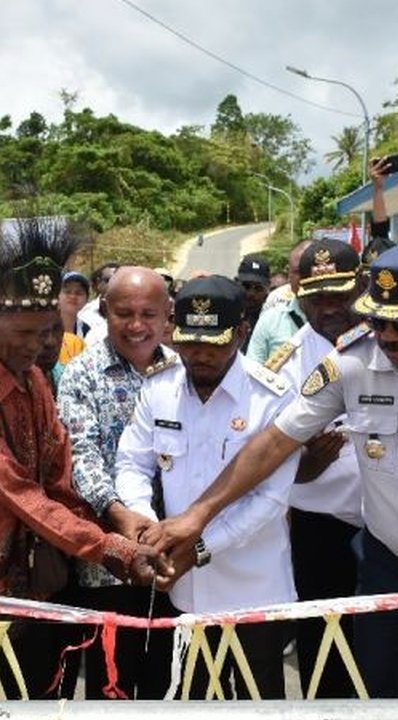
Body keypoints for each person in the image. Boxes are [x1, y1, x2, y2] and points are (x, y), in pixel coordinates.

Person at [142, 244, 398, 698]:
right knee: (373, 693)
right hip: (388, 563)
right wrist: (198, 514)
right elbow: (274, 442)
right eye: (376, 320)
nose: (387, 336)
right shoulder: (352, 360)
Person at [0, 220, 169, 699]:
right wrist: (109, 548)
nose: (36, 346)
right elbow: (21, 494)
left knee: (42, 703)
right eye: (24, 333)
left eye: (48, 332)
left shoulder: (32, 379)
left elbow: (59, 481)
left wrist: (121, 533)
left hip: (35, 591)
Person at [116, 275, 297, 699]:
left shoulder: (271, 397)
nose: (199, 355)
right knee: (193, 700)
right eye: (189, 342)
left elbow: (271, 499)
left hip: (254, 587)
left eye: (214, 343)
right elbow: (132, 463)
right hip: (183, 590)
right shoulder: (159, 388)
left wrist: (196, 549)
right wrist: (147, 525)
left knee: (259, 702)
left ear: (242, 333)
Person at [56, 266, 178, 698]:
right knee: (112, 685)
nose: (137, 325)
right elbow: (81, 456)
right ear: (104, 311)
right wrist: (121, 516)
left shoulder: (183, 370)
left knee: (168, 682)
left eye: (149, 314)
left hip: (177, 559)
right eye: (124, 313)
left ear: (168, 314)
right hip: (109, 562)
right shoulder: (81, 373)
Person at [261, 239, 364, 697]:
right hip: (321, 529)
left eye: (340, 294)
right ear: (299, 295)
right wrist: (304, 465)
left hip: (390, 525)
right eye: (317, 297)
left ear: (361, 286)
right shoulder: (283, 367)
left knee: (384, 651)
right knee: (324, 650)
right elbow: (267, 455)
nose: (330, 307)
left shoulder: (392, 342)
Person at [247, 240, 311, 362]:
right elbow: (253, 370)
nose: (306, 278)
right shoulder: (269, 320)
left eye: (310, 270)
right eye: (298, 271)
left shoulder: (338, 319)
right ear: (288, 273)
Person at [78, 262, 119, 344]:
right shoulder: (85, 314)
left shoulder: (133, 312)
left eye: (118, 280)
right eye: (108, 280)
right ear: (98, 283)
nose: (113, 284)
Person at [236, 254, 272, 342]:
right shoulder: (225, 310)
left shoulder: (272, 319)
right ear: (236, 282)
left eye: (258, 288)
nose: (251, 293)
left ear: (268, 288)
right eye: (246, 286)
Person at [58, 270, 92, 337]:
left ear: (86, 299)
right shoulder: (45, 326)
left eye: (78, 293)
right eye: (67, 292)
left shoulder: (88, 332)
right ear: (58, 296)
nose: (73, 296)